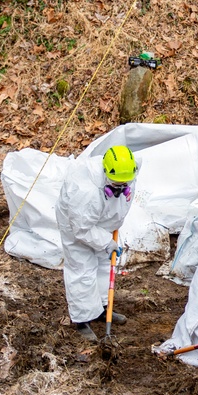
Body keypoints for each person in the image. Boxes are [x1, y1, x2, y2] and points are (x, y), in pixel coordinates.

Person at [55, 145, 139, 342]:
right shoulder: (85, 192)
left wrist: (109, 234)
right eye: (117, 184)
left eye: (125, 183)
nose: (122, 186)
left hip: (103, 222)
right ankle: (82, 319)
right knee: (82, 270)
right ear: (106, 172)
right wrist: (105, 241)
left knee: (103, 265)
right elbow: (82, 229)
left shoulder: (128, 170)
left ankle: (102, 308)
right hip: (77, 224)